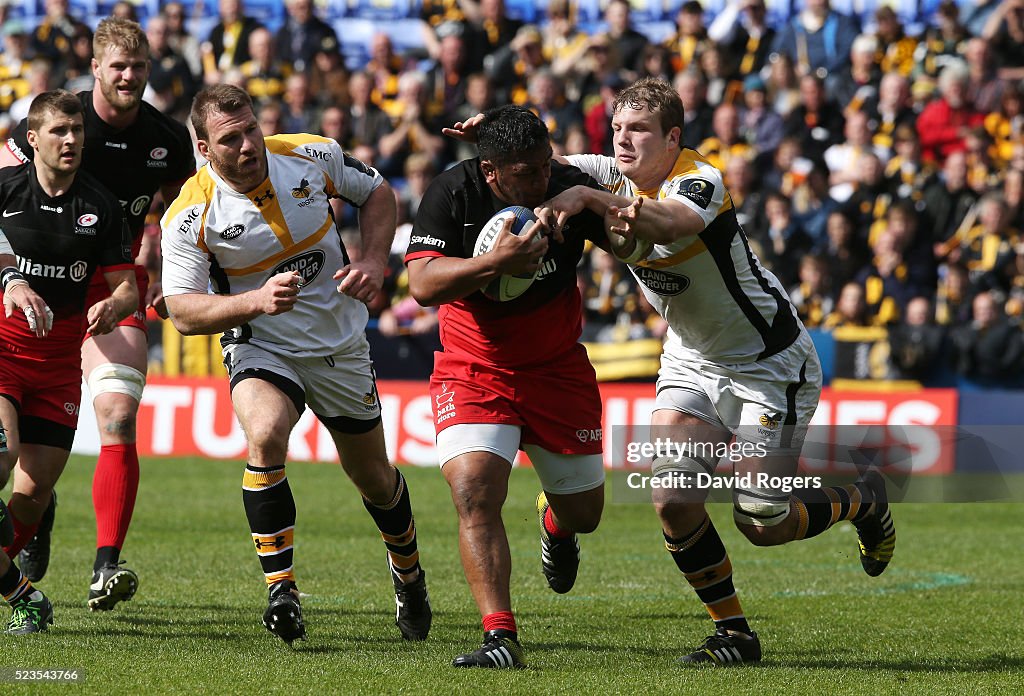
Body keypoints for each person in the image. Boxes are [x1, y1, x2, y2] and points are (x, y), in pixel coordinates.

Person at [459, 77, 896, 666]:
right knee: (671, 496)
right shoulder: (600, 169)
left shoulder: (699, 179)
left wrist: (588, 201)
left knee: (763, 520)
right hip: (692, 357)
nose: (623, 141)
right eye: (616, 129)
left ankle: (861, 500)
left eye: (638, 130)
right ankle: (734, 633)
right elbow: (534, 157)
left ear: (671, 137)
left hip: (768, 363)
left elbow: (663, 225)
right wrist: (495, 128)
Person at [160, 84, 431, 646]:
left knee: (375, 481)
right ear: (205, 150)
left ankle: (408, 575)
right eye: (229, 139)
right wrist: (252, 302)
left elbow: (378, 192)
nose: (247, 146)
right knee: (264, 434)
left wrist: (377, 262)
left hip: (339, 344)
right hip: (262, 345)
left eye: (251, 130)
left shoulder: (311, 154)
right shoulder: (188, 215)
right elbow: (183, 311)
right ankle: (281, 590)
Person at [0, 17, 195, 605]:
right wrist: (9, 274)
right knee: (14, 456)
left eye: (139, 67)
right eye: (119, 67)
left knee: (117, 414)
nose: (130, 76)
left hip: (115, 281)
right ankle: (30, 532)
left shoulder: (165, 138)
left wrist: (174, 273)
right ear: (96, 69)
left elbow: (193, 210)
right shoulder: (54, 115)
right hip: (31, 280)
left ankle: (105, 563)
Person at [408, 105, 607, 668]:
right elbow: (422, 284)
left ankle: (554, 522)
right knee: (474, 492)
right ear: (492, 171)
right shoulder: (455, 193)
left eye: (545, 165)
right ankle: (500, 636)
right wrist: (497, 263)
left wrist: (592, 201)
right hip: (474, 368)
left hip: (556, 369)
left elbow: (630, 237)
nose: (541, 180)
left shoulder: (567, 184)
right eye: (525, 173)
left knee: (585, 514)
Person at [0, 89, 138, 632]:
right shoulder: (6, 190)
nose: (72, 141)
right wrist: (11, 281)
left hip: (59, 365)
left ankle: (19, 585)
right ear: (32, 139)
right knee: (3, 455)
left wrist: (114, 303)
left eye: (77, 131)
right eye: (59, 131)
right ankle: (23, 595)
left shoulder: (99, 205)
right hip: (5, 353)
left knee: (30, 500)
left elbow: (126, 284)